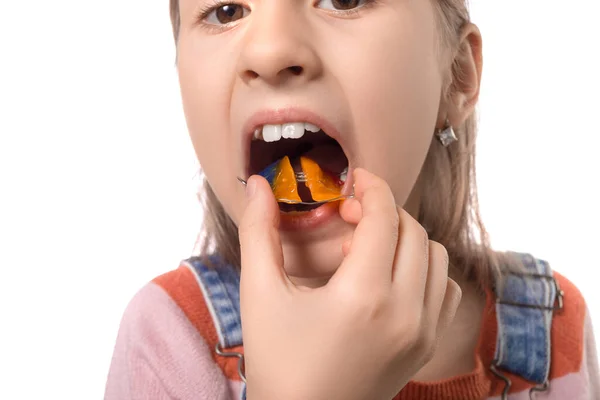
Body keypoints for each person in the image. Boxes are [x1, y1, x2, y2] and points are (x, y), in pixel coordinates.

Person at [105, 0, 599, 399]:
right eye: (226, 11)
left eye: (343, 0)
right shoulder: (169, 336)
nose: (271, 51)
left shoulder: (555, 331)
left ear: (458, 76)